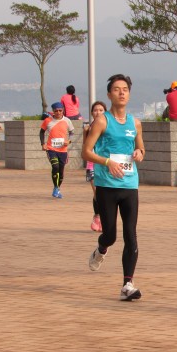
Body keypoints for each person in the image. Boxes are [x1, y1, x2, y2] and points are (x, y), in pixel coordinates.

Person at [82, 74, 146, 302]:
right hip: (106, 186)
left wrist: (139, 153)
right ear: (109, 94)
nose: (121, 93)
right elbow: (86, 152)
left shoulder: (135, 123)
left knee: (131, 234)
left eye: (125, 89)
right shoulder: (102, 121)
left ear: (129, 94)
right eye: (117, 89)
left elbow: (141, 149)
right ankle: (101, 248)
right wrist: (108, 162)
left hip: (129, 184)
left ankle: (127, 284)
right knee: (110, 235)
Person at [39, 102, 74, 198]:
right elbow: (41, 132)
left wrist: (69, 141)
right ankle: (55, 187)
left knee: (61, 171)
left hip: (63, 150)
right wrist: (43, 144)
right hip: (51, 149)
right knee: (55, 167)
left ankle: (57, 188)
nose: (58, 112)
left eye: (60, 110)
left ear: (63, 110)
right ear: (53, 111)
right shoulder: (48, 120)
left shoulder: (67, 121)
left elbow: (71, 132)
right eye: (56, 111)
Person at [82, 101, 108, 232]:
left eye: (101, 110)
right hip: (92, 164)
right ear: (92, 113)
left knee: (104, 193)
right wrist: (85, 133)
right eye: (95, 110)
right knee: (97, 192)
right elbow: (85, 148)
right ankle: (98, 217)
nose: (98, 112)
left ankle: (102, 218)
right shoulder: (89, 128)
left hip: (105, 163)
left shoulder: (108, 127)